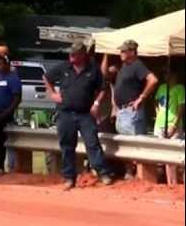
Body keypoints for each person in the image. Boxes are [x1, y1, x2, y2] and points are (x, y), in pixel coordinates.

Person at [44, 41, 115, 189]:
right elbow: (46, 77)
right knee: (67, 146)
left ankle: (103, 173)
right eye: (70, 54)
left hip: (85, 114)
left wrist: (96, 103)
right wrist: (53, 94)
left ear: (83, 55)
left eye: (74, 54)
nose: (71, 56)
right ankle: (69, 178)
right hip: (65, 113)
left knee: (92, 143)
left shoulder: (93, 69)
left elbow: (103, 88)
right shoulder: (64, 67)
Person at [108, 40, 158, 136]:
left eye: (124, 51)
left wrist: (141, 98)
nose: (121, 53)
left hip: (131, 113)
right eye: (121, 51)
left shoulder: (137, 65)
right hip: (122, 112)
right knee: (124, 143)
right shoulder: (124, 65)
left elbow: (153, 80)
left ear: (132, 52)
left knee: (132, 142)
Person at [153, 65, 184, 139]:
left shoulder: (180, 88)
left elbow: (181, 109)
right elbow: (155, 101)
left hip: (173, 125)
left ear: (174, 74)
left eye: (166, 72)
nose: (164, 75)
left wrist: (173, 126)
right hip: (159, 124)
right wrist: (158, 114)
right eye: (164, 73)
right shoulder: (162, 87)